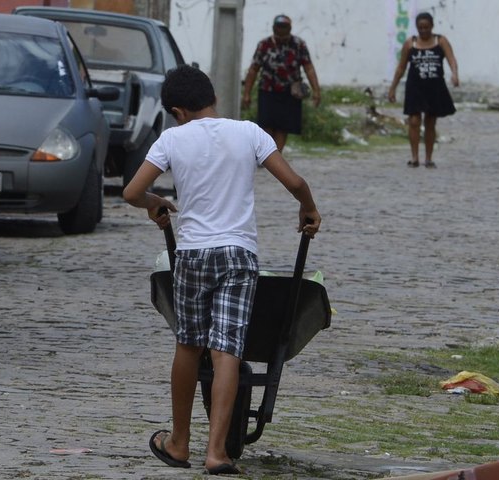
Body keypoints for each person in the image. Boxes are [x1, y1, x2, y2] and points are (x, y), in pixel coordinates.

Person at [123, 65, 320, 475]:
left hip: (193, 253)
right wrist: (309, 208)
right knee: (227, 348)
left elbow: (132, 191)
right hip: (238, 253)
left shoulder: (172, 139)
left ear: (177, 110)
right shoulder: (249, 132)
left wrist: (155, 204)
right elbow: (295, 182)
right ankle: (217, 453)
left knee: (188, 345)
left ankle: (178, 443)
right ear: (211, 98)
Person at [388, 11, 459, 168]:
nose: (424, 31)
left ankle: (428, 158)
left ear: (432, 26)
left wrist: (454, 74)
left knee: (430, 122)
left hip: (434, 88)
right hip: (415, 87)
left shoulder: (440, 41)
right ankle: (414, 157)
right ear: (417, 28)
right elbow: (401, 68)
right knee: (414, 121)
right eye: (420, 28)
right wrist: (392, 88)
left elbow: (451, 59)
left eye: (426, 27)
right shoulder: (410, 44)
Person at [241, 14, 321, 151]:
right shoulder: (264, 45)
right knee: (266, 125)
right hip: (267, 91)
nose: (282, 30)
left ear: (290, 28)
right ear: (273, 28)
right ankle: (265, 154)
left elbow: (309, 68)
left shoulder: (299, 45)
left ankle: (276, 156)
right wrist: (246, 94)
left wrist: (316, 91)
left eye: (285, 27)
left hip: (290, 93)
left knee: (283, 127)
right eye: (279, 27)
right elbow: (254, 69)